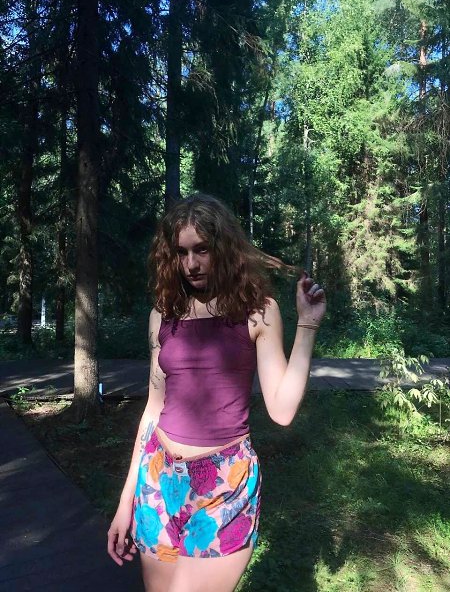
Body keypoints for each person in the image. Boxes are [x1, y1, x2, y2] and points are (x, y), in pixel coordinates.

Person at [107, 193, 326, 592]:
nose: (191, 263)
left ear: (223, 248)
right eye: (182, 252)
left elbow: (281, 410)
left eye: (202, 250)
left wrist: (307, 326)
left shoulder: (258, 312)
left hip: (224, 487)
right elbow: (153, 410)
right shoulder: (163, 315)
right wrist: (126, 502)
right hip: (157, 480)